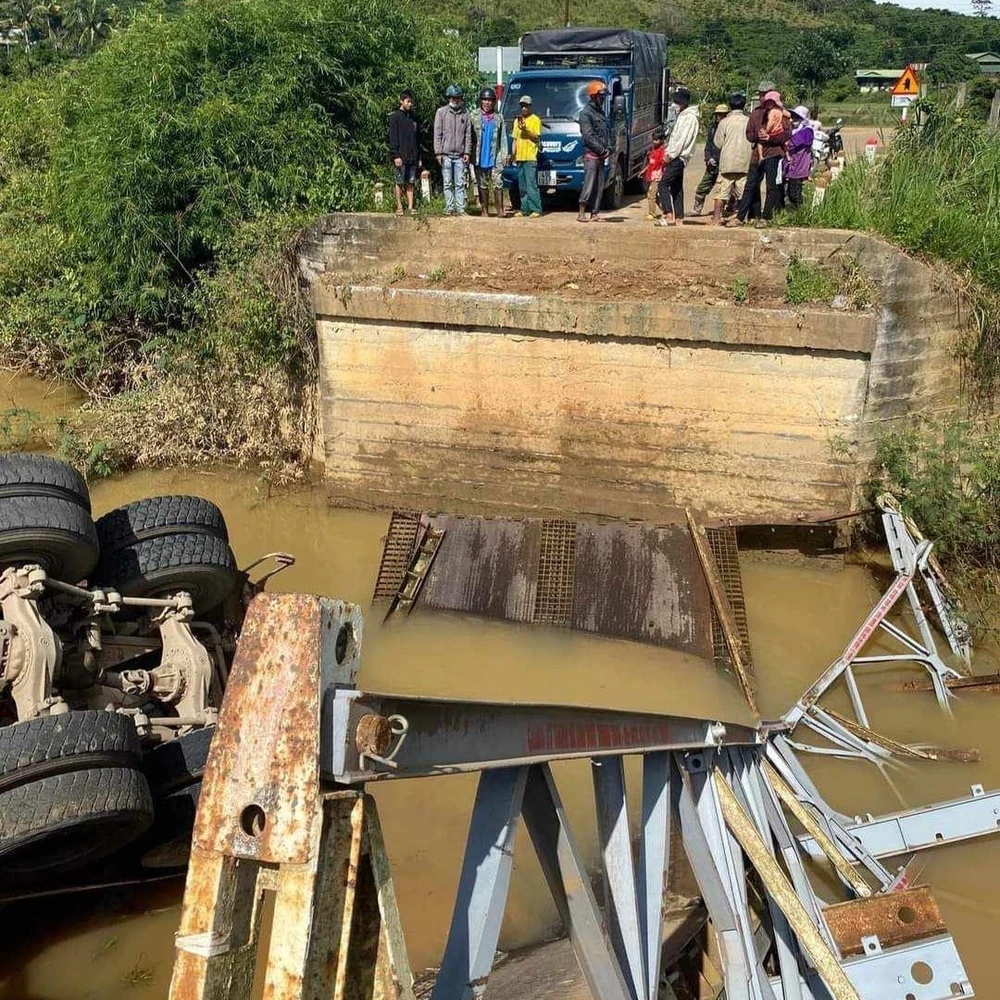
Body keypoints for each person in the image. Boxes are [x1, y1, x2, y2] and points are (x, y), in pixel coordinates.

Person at [737, 85, 790, 226]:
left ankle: (766, 217)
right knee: (751, 185)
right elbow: (749, 134)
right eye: (760, 94)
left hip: (774, 153)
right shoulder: (755, 113)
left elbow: (787, 134)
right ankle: (741, 217)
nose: (762, 97)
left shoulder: (781, 113)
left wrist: (771, 139)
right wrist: (757, 135)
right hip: (757, 154)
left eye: (765, 94)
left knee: (771, 186)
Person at [707, 93, 751, 226]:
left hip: (727, 162)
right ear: (744, 105)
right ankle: (743, 217)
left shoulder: (724, 122)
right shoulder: (749, 121)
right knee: (743, 192)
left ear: (730, 106)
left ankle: (716, 218)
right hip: (744, 161)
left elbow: (718, 142)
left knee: (722, 191)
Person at [657, 87, 698, 227]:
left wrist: (671, 154)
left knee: (663, 184)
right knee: (677, 188)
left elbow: (682, 139)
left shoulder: (689, 118)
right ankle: (679, 217)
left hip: (679, 156)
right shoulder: (682, 116)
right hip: (678, 156)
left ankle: (668, 214)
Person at [434, 85, 473, 216]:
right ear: (449, 98)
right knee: (447, 183)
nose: (456, 100)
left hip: (460, 155)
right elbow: (437, 134)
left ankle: (461, 209)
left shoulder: (465, 113)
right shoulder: (441, 112)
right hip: (446, 154)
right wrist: (438, 152)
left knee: (460, 183)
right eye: (453, 97)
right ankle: (449, 207)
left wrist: (467, 152)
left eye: (458, 97)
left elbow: (468, 135)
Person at [471, 87, 508, 218]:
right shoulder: (473, 116)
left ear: (493, 102)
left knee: (498, 182)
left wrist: (504, 154)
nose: (487, 103)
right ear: (481, 101)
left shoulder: (499, 118)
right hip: (479, 156)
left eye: (490, 100)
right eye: (485, 100)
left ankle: (500, 210)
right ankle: (485, 210)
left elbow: (503, 138)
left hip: (495, 155)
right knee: (482, 183)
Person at [578, 80, 610, 222]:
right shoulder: (586, 113)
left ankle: (595, 213)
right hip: (591, 155)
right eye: (601, 96)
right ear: (593, 96)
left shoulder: (600, 112)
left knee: (599, 186)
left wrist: (607, 149)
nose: (603, 99)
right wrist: (602, 150)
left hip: (601, 156)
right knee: (589, 185)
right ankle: (581, 213)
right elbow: (588, 136)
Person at [388, 90, 421, 216]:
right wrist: (395, 155)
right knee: (399, 181)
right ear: (401, 101)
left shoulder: (414, 118)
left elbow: (418, 139)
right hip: (400, 156)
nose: (410, 104)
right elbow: (393, 137)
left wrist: (419, 157)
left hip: (412, 155)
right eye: (408, 101)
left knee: (410, 182)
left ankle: (411, 206)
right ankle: (399, 206)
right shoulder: (395, 117)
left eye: (411, 102)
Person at [692, 104, 728, 216]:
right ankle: (697, 209)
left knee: (726, 189)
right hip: (712, 163)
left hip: (725, 163)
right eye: (717, 115)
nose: (719, 117)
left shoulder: (729, 127)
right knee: (702, 187)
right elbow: (708, 146)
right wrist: (708, 158)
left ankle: (727, 209)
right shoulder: (712, 128)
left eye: (721, 115)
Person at [511, 94, 542, 218]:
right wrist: (513, 154)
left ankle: (536, 209)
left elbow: (536, 137)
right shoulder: (516, 121)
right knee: (522, 186)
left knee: (531, 185)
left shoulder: (535, 120)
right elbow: (514, 139)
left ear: (530, 106)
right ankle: (524, 209)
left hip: (530, 157)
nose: (524, 108)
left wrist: (525, 129)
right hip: (520, 157)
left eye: (526, 106)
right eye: (522, 106)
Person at [784, 105, 814, 209]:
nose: (793, 120)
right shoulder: (794, 130)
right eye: (793, 116)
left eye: (797, 117)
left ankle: (800, 212)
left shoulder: (807, 131)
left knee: (794, 193)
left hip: (799, 166)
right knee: (788, 192)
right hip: (791, 166)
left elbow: (792, 143)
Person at [642, 130, 666, 220]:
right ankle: (666, 209)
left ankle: (652, 213)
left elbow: (661, 163)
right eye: (653, 139)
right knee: (654, 195)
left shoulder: (661, 151)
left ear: (661, 140)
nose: (654, 141)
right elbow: (650, 163)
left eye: (656, 140)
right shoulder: (653, 150)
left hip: (657, 176)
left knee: (651, 194)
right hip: (652, 175)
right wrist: (644, 171)